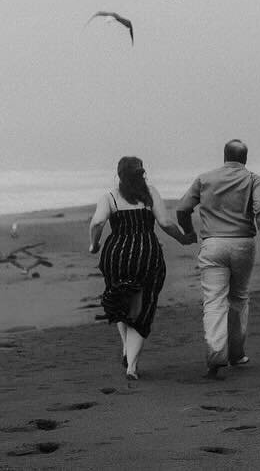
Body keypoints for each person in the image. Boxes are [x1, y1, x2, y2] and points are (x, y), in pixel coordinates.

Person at [88, 155, 196, 380]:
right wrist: (183, 239)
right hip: (146, 254)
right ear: (142, 173)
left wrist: (94, 244)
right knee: (143, 306)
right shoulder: (150, 193)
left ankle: (127, 350)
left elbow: (97, 222)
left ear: (119, 175)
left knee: (120, 300)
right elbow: (165, 223)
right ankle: (131, 367)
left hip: (116, 255)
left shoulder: (110, 197)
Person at [177, 138, 260, 379]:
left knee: (213, 301)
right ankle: (236, 354)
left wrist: (189, 232)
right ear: (245, 158)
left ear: (224, 156)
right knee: (238, 298)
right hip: (242, 244)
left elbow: (182, 208)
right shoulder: (253, 179)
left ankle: (215, 354)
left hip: (212, 245)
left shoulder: (205, 179)